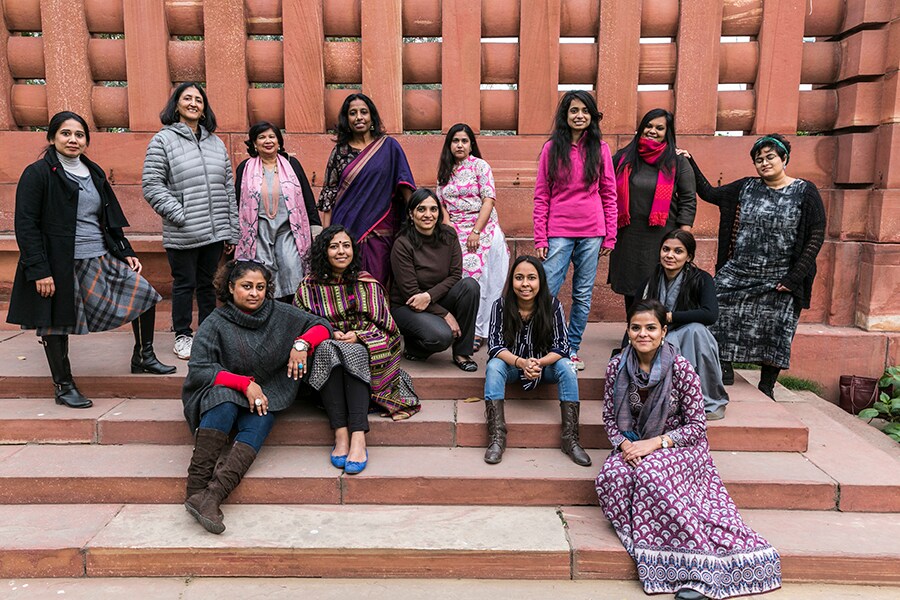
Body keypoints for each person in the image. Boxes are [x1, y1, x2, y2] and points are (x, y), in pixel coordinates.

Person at [595, 300, 781, 600]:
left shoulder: (679, 367)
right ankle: (654, 551)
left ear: (663, 331)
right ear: (628, 331)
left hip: (679, 445)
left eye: (651, 328)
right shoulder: (617, 366)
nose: (643, 334)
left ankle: (698, 565)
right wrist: (625, 444)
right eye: (636, 328)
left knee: (650, 472)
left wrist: (655, 443)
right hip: (634, 444)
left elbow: (696, 425)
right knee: (613, 476)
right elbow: (608, 418)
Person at [7, 111, 175, 410]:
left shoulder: (92, 171)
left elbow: (108, 217)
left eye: (80, 135)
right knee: (54, 324)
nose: (73, 140)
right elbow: (26, 224)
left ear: (86, 140)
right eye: (66, 134)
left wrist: (125, 251)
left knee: (144, 294)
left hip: (99, 255)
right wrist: (39, 270)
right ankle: (63, 385)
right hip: (59, 263)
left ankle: (143, 356)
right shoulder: (38, 173)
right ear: (52, 137)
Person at [181, 260, 332, 534]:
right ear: (231, 287)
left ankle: (213, 496)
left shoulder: (280, 314)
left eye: (260, 287)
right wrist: (244, 384)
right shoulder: (215, 322)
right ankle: (196, 487)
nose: (254, 293)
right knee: (224, 403)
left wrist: (302, 343)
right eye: (246, 286)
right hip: (223, 389)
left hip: (268, 391)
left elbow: (322, 326)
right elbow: (200, 369)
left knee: (262, 419)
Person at [678, 134, 826, 398]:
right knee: (717, 308)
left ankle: (767, 385)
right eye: (759, 160)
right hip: (740, 270)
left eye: (770, 157)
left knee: (778, 325)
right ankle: (724, 365)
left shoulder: (805, 191)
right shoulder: (746, 187)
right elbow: (709, 193)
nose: (765, 163)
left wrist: (794, 278)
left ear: (784, 159)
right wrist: (690, 161)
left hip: (780, 275)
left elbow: (816, 235)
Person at [294, 225, 421, 470]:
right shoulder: (308, 288)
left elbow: (389, 331)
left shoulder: (368, 285)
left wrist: (360, 336)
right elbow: (300, 326)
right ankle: (341, 432)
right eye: (333, 246)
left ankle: (359, 435)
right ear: (324, 252)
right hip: (325, 351)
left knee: (353, 352)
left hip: (364, 350)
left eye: (345, 245)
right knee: (329, 350)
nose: (341, 251)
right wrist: (328, 334)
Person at [142, 81, 239, 361]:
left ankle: (208, 334)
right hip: (183, 230)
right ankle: (183, 335)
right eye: (187, 98)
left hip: (213, 232)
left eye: (199, 99)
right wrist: (180, 214)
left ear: (204, 107)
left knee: (209, 284)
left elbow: (226, 188)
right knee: (184, 284)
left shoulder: (216, 143)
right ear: (177, 105)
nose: (194, 103)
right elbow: (152, 185)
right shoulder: (163, 140)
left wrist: (231, 231)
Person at [533, 90, 617, 371]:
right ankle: (541, 344)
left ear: (592, 116)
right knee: (545, 290)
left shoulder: (601, 149)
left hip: (593, 231)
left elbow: (609, 193)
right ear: (565, 115)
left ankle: (570, 349)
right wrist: (540, 235)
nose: (579, 116)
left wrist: (611, 234)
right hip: (558, 230)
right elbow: (542, 194)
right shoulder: (551, 149)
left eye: (584, 111)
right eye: (573, 110)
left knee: (582, 294)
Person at [483, 256, 590, 466]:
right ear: (511, 281)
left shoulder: (552, 305)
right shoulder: (501, 306)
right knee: (494, 366)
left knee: (568, 366)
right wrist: (521, 363)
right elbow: (495, 346)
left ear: (540, 281)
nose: (525, 284)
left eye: (531, 278)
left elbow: (562, 346)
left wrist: (538, 363)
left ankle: (571, 439)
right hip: (513, 369)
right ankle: (497, 437)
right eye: (519, 278)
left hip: (545, 369)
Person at [318, 93, 415, 287]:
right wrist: (326, 234)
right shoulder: (340, 151)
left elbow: (405, 186)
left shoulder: (389, 147)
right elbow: (329, 194)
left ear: (372, 117)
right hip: (345, 226)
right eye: (353, 113)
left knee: (377, 279)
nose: (359, 117)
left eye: (364, 112)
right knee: (346, 278)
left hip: (381, 228)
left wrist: (413, 220)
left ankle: (377, 314)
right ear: (347, 120)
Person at [609, 109, 696, 315]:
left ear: (668, 132)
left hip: (662, 235)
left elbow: (688, 199)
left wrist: (683, 236)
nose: (652, 131)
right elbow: (603, 188)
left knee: (658, 283)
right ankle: (633, 328)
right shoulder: (623, 158)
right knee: (631, 285)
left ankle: (655, 329)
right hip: (628, 234)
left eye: (659, 128)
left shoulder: (677, 162)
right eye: (648, 126)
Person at [635, 230, 728, 420]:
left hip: (688, 338)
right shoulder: (649, 281)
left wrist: (668, 316)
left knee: (696, 331)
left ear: (689, 257)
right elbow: (635, 318)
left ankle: (707, 400)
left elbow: (710, 314)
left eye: (678, 251)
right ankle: (670, 403)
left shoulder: (701, 279)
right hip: (656, 338)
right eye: (666, 249)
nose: (670, 255)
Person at [436, 123, 510, 351]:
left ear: (471, 145)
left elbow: (489, 200)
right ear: (449, 145)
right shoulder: (445, 171)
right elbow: (441, 204)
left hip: (482, 227)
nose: (459, 145)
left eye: (464, 141)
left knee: (483, 279)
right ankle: (461, 325)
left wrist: (476, 231)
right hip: (454, 229)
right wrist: (447, 228)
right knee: (459, 278)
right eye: (455, 140)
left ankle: (479, 330)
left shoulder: (480, 166)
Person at [390, 189, 480, 371]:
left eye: (433, 209)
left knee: (470, 286)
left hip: (434, 300)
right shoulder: (402, 243)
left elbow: (455, 275)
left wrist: (430, 297)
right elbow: (411, 294)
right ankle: (415, 346)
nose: (428, 215)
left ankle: (462, 353)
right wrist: (445, 315)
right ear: (411, 213)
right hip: (407, 306)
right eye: (421, 209)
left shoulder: (448, 235)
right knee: (442, 336)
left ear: (439, 213)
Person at [234, 121, 321, 302]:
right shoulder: (245, 168)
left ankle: (292, 314)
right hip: (257, 232)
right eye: (262, 137)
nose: (268, 141)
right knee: (261, 272)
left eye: (272, 136)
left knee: (292, 268)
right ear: (254, 144)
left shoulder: (292, 164)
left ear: (279, 142)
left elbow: (306, 195)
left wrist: (315, 226)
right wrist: (232, 234)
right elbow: (236, 201)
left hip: (288, 230)